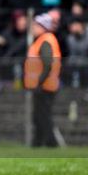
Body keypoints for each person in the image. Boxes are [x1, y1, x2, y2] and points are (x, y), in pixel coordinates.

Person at [24, 13, 61, 147]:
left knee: (43, 116)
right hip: (44, 85)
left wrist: (39, 82)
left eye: (36, 25)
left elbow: (47, 64)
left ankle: (50, 143)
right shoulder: (44, 40)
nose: (33, 28)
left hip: (44, 86)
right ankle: (38, 143)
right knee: (39, 116)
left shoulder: (45, 41)